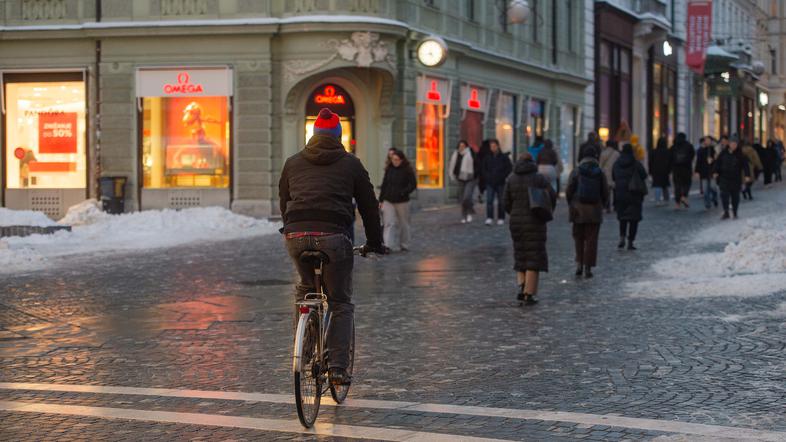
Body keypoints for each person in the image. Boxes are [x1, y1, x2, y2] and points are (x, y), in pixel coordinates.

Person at [279, 107, 386, 386]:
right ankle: (337, 368)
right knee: (339, 301)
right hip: (334, 236)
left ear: (314, 135)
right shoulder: (351, 163)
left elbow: (285, 200)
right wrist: (375, 242)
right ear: (339, 136)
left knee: (305, 290)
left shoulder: (293, 162)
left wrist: (291, 228)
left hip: (296, 234)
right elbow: (369, 207)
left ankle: (303, 351)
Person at [503, 152, 556, 305]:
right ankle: (529, 293)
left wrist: (514, 213)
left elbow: (505, 202)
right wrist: (547, 210)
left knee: (520, 254)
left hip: (517, 222)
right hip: (535, 221)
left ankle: (521, 285)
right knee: (534, 256)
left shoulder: (511, 178)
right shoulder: (539, 178)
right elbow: (552, 195)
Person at [566, 146, 609, 279]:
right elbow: (605, 192)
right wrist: (603, 205)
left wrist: (571, 204)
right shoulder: (600, 172)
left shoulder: (576, 171)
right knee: (591, 240)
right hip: (594, 211)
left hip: (578, 210)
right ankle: (588, 267)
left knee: (578, 238)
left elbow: (569, 190)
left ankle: (579, 264)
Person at [379, 149, 417, 252]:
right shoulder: (389, 169)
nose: (395, 162)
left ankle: (404, 244)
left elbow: (413, 185)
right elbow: (384, 184)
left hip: (402, 201)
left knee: (404, 224)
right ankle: (388, 245)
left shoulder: (407, 170)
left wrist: (403, 192)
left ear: (401, 160)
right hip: (388, 200)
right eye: (393, 159)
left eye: (397, 160)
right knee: (388, 223)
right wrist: (381, 200)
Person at [612, 144, 648, 250]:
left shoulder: (617, 163)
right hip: (634, 194)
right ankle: (630, 241)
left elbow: (614, 176)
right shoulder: (636, 163)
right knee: (633, 219)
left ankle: (622, 237)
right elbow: (644, 175)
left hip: (620, 193)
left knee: (622, 218)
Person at [714, 136, 750, 220]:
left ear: (737, 145)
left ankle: (735, 212)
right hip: (724, 177)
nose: (733, 145)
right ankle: (726, 211)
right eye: (732, 144)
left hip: (736, 178)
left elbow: (745, 166)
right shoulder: (723, 153)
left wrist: (747, 175)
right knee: (724, 195)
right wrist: (715, 171)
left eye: (735, 144)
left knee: (735, 196)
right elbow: (718, 163)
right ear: (729, 144)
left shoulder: (740, 154)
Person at [481, 139, 512, 225]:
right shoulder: (487, 157)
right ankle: (489, 217)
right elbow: (484, 169)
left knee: (501, 201)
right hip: (490, 182)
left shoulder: (504, 157)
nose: (492, 148)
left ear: (498, 146)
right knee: (489, 201)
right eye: (491, 146)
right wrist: (487, 177)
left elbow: (509, 168)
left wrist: (503, 176)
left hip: (500, 182)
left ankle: (501, 217)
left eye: (494, 146)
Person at [449, 140, 476, 223]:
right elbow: (452, 165)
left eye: (463, 146)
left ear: (466, 146)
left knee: (466, 197)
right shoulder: (455, 154)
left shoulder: (470, 153)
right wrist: (453, 174)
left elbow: (476, 164)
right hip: (460, 179)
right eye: (460, 146)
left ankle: (469, 213)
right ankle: (464, 216)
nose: (461, 147)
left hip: (470, 178)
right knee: (462, 199)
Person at [670, 132, 695, 209]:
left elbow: (670, 157)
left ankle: (677, 203)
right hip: (687, 168)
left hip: (676, 169)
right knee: (687, 183)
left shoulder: (673, 146)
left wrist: (671, 168)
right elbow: (692, 155)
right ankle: (684, 196)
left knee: (677, 185)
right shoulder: (689, 145)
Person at [696, 136, 718, 209]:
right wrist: (697, 171)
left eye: (709, 140)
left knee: (713, 187)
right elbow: (698, 161)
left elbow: (717, 160)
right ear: (704, 141)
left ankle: (714, 198)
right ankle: (707, 204)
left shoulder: (713, 149)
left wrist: (713, 161)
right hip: (704, 172)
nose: (708, 142)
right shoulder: (701, 150)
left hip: (712, 171)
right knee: (705, 190)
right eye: (706, 140)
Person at [649, 136, 672, 205]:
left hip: (656, 170)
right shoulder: (668, 151)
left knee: (657, 185)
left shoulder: (654, 151)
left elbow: (650, 162)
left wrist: (650, 171)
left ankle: (657, 200)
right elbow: (670, 162)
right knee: (665, 185)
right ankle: (666, 200)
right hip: (665, 170)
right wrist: (669, 170)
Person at [599, 140, 620, 213]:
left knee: (606, 191)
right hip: (615, 174)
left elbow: (600, 165)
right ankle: (616, 206)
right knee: (615, 191)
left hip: (606, 174)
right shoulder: (617, 153)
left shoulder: (603, 153)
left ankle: (607, 206)